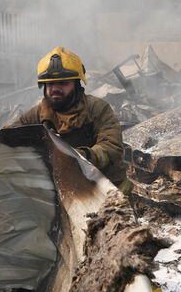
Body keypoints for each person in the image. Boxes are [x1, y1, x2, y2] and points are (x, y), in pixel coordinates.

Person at [10, 47, 128, 192]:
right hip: (69, 194)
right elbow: (8, 137)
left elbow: (112, 148)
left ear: (77, 85)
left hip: (109, 193)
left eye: (63, 83)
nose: (56, 89)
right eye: (51, 84)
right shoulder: (37, 114)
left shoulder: (97, 109)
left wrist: (78, 158)